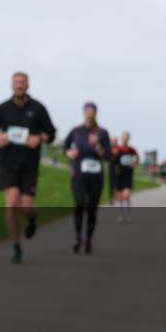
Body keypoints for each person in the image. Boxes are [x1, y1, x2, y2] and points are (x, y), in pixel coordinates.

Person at [0, 72, 56, 264]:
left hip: (29, 165)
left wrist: (39, 138)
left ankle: (32, 218)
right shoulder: (3, 108)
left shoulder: (38, 108)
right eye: (16, 82)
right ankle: (16, 246)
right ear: (11, 85)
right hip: (7, 163)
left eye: (22, 82)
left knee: (26, 206)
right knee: (12, 203)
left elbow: (51, 133)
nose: (19, 85)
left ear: (28, 85)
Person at [62, 102, 112, 254]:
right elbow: (65, 147)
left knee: (92, 208)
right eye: (87, 111)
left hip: (96, 176)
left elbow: (109, 156)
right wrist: (69, 153)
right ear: (83, 113)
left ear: (96, 113)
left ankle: (89, 239)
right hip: (79, 174)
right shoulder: (76, 131)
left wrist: (98, 146)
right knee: (79, 204)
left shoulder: (102, 132)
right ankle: (78, 237)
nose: (89, 114)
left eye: (92, 111)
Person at [111, 131, 139, 222]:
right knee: (120, 196)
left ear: (128, 138)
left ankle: (128, 213)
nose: (125, 139)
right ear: (121, 138)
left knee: (126, 194)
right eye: (124, 137)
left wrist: (134, 163)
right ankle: (121, 214)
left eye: (127, 137)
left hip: (128, 174)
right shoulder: (117, 149)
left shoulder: (131, 149)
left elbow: (137, 157)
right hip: (119, 174)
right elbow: (112, 159)